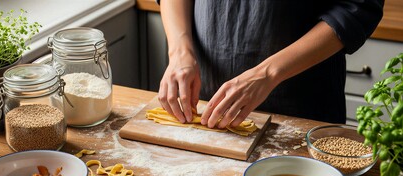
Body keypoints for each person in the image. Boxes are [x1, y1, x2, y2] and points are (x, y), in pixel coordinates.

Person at [157, 0, 384, 128]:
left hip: (301, 102)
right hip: (205, 95)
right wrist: (179, 50)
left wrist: (268, 73)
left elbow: (357, 8)